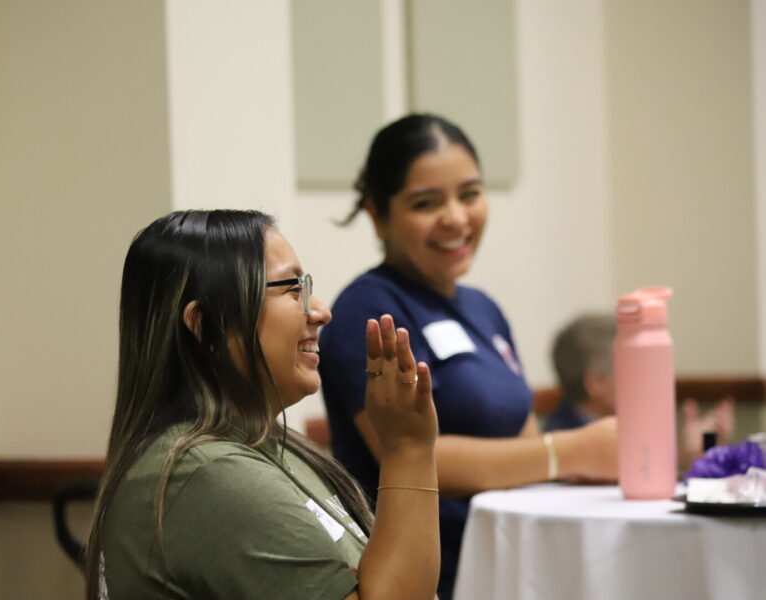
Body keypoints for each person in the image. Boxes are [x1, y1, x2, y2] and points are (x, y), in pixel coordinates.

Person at [318, 114, 618, 600]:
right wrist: (570, 451)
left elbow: (522, 439)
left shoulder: (484, 309)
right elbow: (405, 452)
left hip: (514, 562)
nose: (456, 217)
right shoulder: (367, 311)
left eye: (470, 194)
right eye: (426, 203)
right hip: (433, 573)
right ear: (378, 215)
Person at [85, 209, 441, 600]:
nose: (321, 311)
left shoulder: (258, 447)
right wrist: (407, 447)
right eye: (292, 289)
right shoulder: (209, 475)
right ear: (206, 326)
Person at [545, 312, 735, 469]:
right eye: (635, 367)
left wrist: (699, 453)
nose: (647, 378)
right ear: (597, 383)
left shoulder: (632, 425)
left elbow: (653, 467)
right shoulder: (560, 443)